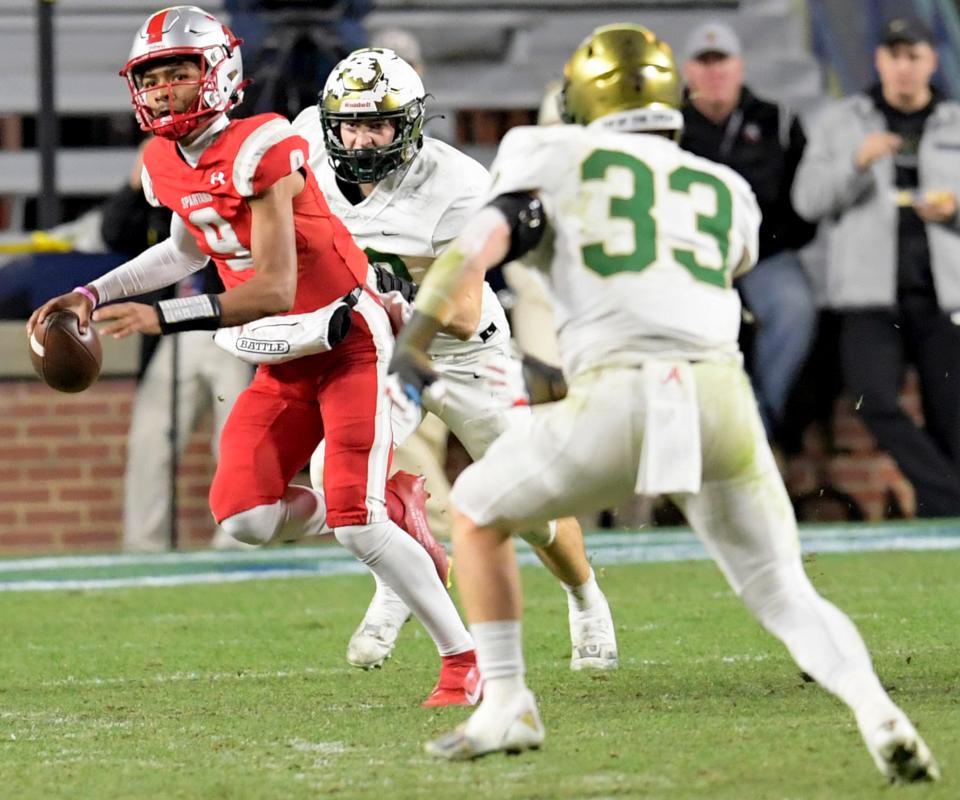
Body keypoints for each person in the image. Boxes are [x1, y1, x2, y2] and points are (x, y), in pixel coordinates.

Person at [387, 23, 940, 782]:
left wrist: (416, 334)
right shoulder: (723, 187)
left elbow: (483, 237)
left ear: (582, 101)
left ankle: (509, 700)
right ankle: (879, 713)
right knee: (784, 589)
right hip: (719, 397)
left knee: (479, 506)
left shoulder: (548, 152)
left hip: (619, 390)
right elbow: (726, 257)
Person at [26, 5, 478, 707]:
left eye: (181, 73)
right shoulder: (162, 163)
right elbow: (180, 250)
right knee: (245, 518)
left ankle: (462, 661)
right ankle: (390, 506)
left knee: (358, 529)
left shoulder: (263, 145)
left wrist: (160, 315)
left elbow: (274, 286)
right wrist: (89, 292)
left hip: (347, 339)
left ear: (220, 74)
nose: (165, 90)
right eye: (153, 77)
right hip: (284, 359)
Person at [234, 47, 618, 673]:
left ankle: (584, 598)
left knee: (528, 496)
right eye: (349, 124)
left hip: (462, 350)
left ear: (409, 125)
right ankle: (401, 579)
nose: (358, 140)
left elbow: (463, 311)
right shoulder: (305, 141)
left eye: (376, 125)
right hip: (376, 348)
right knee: (344, 478)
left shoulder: (458, 186)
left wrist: (380, 293)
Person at [793, 16, 960, 518]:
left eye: (914, 56)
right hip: (869, 298)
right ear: (879, 61)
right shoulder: (844, 122)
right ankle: (952, 498)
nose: (904, 68)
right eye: (894, 56)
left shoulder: (955, 123)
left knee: (952, 420)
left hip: (944, 296)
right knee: (876, 401)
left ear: (931, 60)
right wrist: (856, 163)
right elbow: (807, 202)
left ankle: (941, 519)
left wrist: (955, 210)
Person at [680, 21, 818, 440]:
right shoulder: (669, 128)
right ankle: (706, 433)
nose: (714, 72)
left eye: (721, 61)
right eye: (704, 63)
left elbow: (804, 205)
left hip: (764, 254)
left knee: (795, 308)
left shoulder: (777, 121)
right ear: (687, 72)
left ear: (740, 67)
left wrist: (767, 239)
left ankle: (758, 424)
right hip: (694, 258)